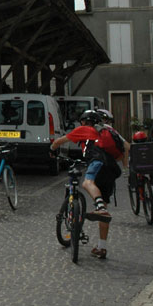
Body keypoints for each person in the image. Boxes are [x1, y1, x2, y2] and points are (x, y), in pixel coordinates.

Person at [49, 109, 129, 259]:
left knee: (87, 183)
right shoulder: (107, 131)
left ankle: (99, 206)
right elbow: (126, 147)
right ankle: (101, 247)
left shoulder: (84, 129)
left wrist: (52, 150)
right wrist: (125, 168)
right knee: (104, 210)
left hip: (97, 161)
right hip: (111, 168)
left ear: (84, 121)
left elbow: (59, 141)